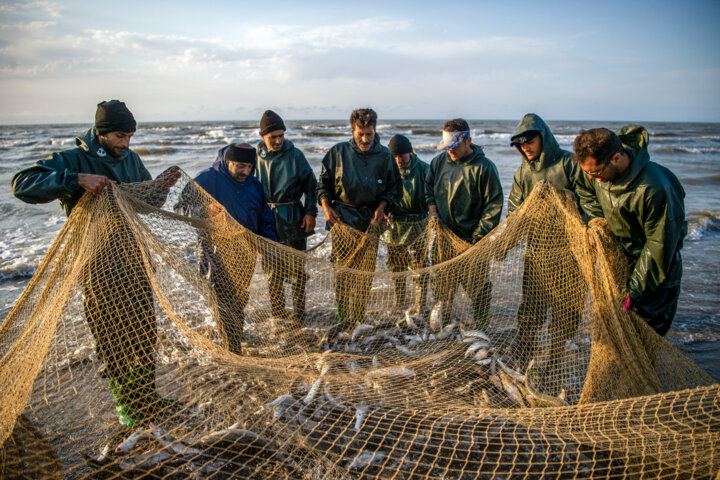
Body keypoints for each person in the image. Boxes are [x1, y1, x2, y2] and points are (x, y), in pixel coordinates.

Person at [12, 100, 181, 426]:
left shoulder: (131, 159)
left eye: (130, 136)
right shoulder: (73, 159)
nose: (126, 144)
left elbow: (145, 205)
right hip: (98, 267)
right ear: (102, 133)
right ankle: (127, 408)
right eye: (120, 136)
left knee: (144, 331)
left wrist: (160, 187)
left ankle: (148, 396)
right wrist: (75, 179)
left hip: (135, 259)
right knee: (112, 336)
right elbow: (22, 183)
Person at [574, 126, 686, 336]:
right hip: (620, 264)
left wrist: (634, 292)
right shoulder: (594, 171)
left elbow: (658, 247)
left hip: (656, 276)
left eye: (596, 173)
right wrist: (599, 221)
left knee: (644, 340)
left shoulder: (655, 187)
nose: (592, 178)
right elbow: (584, 188)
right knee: (616, 338)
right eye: (587, 172)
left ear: (616, 158)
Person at [508, 113, 584, 382]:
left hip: (571, 255)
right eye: (521, 143)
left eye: (530, 140)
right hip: (537, 253)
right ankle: (524, 355)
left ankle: (555, 360)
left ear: (544, 137)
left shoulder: (569, 163)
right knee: (530, 310)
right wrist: (504, 242)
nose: (526, 147)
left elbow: (590, 202)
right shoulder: (522, 172)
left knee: (566, 312)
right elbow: (514, 211)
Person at [187, 143, 277, 354]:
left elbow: (265, 218)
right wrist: (204, 209)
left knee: (238, 297)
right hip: (214, 251)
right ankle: (232, 348)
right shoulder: (207, 178)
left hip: (245, 252)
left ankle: (233, 336)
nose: (246, 172)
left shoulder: (254, 184)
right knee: (224, 299)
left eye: (249, 166)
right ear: (228, 162)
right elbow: (181, 206)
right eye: (240, 167)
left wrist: (269, 247)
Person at [317, 108, 401, 326]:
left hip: (370, 224)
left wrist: (383, 206)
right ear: (352, 130)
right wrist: (326, 206)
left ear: (375, 131)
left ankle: (359, 319)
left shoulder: (385, 156)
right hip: (342, 221)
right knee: (342, 274)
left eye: (369, 134)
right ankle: (343, 320)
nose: (365, 139)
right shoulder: (337, 153)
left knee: (365, 275)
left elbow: (394, 189)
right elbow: (323, 185)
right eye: (360, 134)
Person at [425, 118, 503, 330]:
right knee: (442, 288)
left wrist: (479, 236)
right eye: (446, 147)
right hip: (444, 239)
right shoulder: (438, 163)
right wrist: (432, 211)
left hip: (473, 240)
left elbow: (494, 205)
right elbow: (429, 188)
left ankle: (482, 327)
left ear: (468, 140)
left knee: (478, 289)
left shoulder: (484, 167)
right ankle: (446, 327)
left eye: (454, 146)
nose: (450, 151)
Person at [255, 110, 317, 323]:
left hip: (293, 218)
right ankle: (278, 316)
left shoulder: (296, 155)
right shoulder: (255, 157)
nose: (278, 140)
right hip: (267, 221)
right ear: (263, 136)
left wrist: (310, 212)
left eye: (281, 135)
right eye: (273, 137)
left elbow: (311, 186)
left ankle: (300, 316)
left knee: (298, 272)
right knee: (273, 273)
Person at [381, 134, 430, 315]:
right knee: (396, 266)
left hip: (418, 223)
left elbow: (433, 195)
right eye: (394, 157)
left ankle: (420, 305)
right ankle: (399, 302)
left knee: (420, 266)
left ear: (410, 153)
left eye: (402, 155)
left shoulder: (424, 170)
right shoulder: (386, 170)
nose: (398, 160)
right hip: (394, 226)